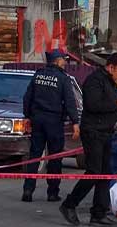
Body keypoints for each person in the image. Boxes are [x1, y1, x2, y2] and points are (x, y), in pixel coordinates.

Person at [60, 52, 117, 227]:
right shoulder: (95, 80)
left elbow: (106, 106)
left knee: (105, 172)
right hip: (93, 132)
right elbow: (93, 105)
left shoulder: (110, 82)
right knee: (93, 171)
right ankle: (70, 204)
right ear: (110, 67)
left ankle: (99, 213)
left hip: (106, 132)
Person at [22, 49, 80, 203]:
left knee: (34, 156)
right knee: (55, 157)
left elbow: (28, 97)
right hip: (54, 121)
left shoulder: (38, 75)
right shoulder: (63, 78)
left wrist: (27, 116)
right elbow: (70, 102)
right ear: (57, 60)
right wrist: (75, 122)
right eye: (64, 59)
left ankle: (28, 190)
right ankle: (52, 192)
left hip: (37, 119)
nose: (65, 62)